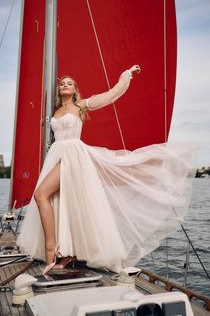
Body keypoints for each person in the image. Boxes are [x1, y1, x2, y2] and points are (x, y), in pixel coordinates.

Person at [17, 65, 196, 273]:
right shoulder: (54, 112)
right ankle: (66, 253)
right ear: (59, 90)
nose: (65, 85)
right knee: (61, 203)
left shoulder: (81, 106)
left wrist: (126, 75)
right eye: (62, 84)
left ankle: (51, 247)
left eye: (70, 84)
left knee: (41, 195)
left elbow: (111, 95)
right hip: (56, 155)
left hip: (73, 156)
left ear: (75, 90)